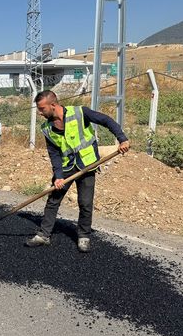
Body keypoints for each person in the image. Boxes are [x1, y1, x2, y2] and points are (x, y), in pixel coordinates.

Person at [26, 90, 130, 253]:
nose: (40, 112)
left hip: (87, 164)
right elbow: (54, 153)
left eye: (42, 108)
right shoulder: (46, 128)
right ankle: (44, 235)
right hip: (66, 167)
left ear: (53, 105)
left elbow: (106, 120)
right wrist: (58, 176)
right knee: (53, 199)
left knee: (85, 202)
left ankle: (83, 236)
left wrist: (122, 138)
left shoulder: (80, 112)